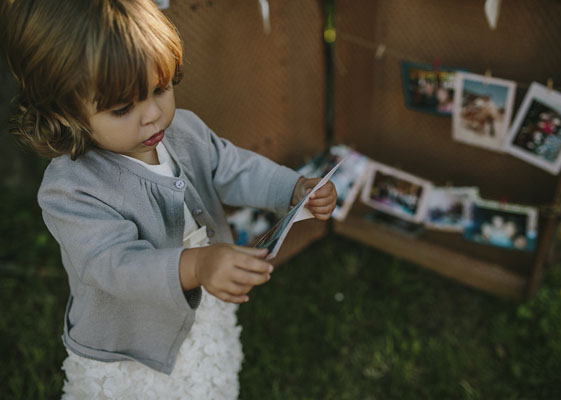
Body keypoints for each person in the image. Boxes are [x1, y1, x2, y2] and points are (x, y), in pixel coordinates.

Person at [2, 0, 337, 398]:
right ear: (65, 112)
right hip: (128, 344)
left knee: (206, 381)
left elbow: (232, 167)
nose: (153, 115)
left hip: (199, 309)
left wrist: (292, 189)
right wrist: (196, 264)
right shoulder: (72, 189)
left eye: (160, 89)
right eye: (123, 108)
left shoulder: (185, 131)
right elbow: (113, 264)